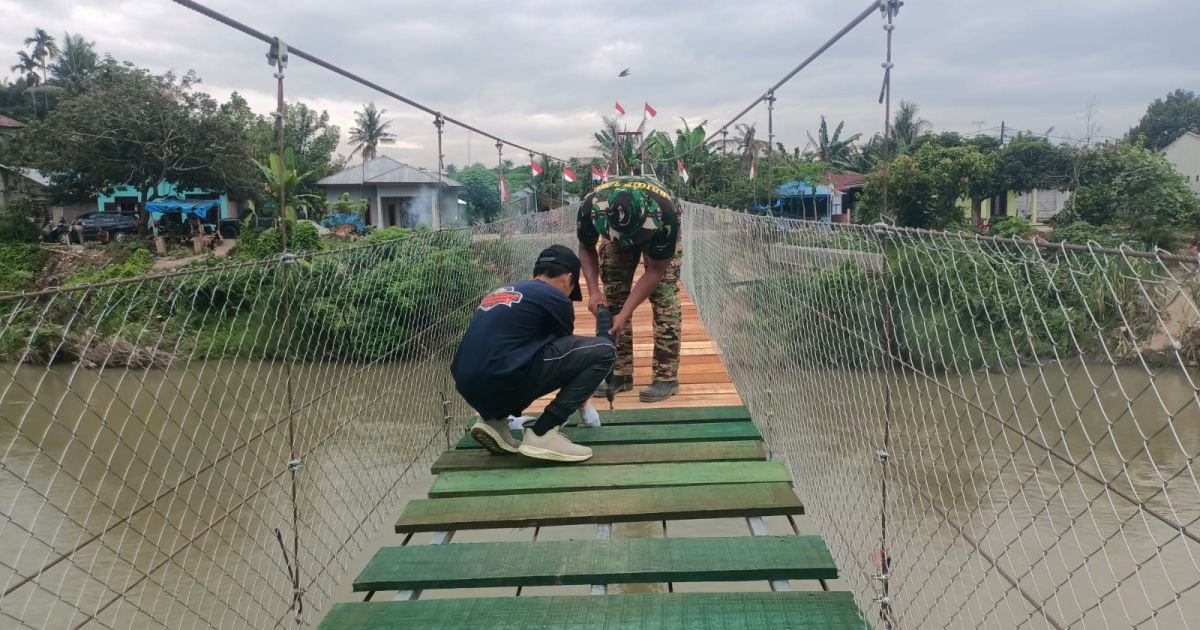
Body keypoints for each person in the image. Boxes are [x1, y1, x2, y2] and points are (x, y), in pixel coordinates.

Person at [451, 245, 615, 462]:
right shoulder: (556, 298)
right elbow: (567, 359)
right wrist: (582, 403)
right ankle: (544, 433)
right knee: (603, 351)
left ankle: (494, 422)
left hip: (466, 384)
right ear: (568, 278)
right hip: (503, 376)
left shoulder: (503, 291)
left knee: (513, 355)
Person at [577, 175, 682, 403]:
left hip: (655, 225)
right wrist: (594, 292)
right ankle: (619, 373)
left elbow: (655, 271)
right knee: (613, 295)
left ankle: (666, 376)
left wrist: (626, 314)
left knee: (665, 298)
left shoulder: (666, 212)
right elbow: (586, 247)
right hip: (616, 228)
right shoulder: (590, 206)